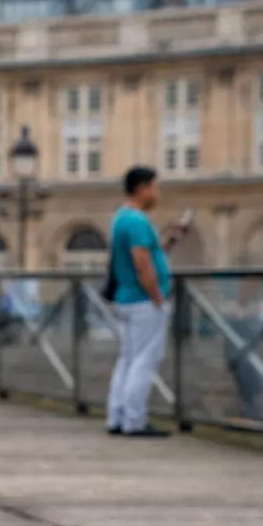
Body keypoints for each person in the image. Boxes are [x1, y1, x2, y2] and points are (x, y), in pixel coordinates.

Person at [104, 165, 188, 437]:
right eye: (155, 186)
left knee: (127, 359)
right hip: (143, 301)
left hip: (126, 298)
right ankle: (135, 421)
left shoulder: (120, 218)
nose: (157, 193)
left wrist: (168, 243)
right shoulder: (139, 221)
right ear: (142, 188)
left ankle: (116, 417)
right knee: (145, 360)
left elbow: (147, 255)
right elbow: (142, 264)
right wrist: (158, 297)